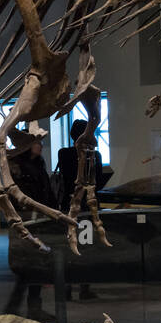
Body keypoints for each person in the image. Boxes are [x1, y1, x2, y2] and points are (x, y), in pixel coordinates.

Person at [7, 137, 55, 316]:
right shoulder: (18, 168)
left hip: (39, 219)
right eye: (37, 143)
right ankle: (18, 308)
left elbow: (45, 190)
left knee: (37, 265)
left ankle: (33, 307)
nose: (40, 146)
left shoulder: (38, 165)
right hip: (26, 220)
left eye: (41, 143)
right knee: (27, 265)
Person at [56, 119, 103, 301]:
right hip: (82, 208)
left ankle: (68, 287)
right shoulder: (94, 156)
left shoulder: (63, 154)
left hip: (69, 207)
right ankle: (83, 287)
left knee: (71, 246)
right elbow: (96, 180)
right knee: (85, 247)